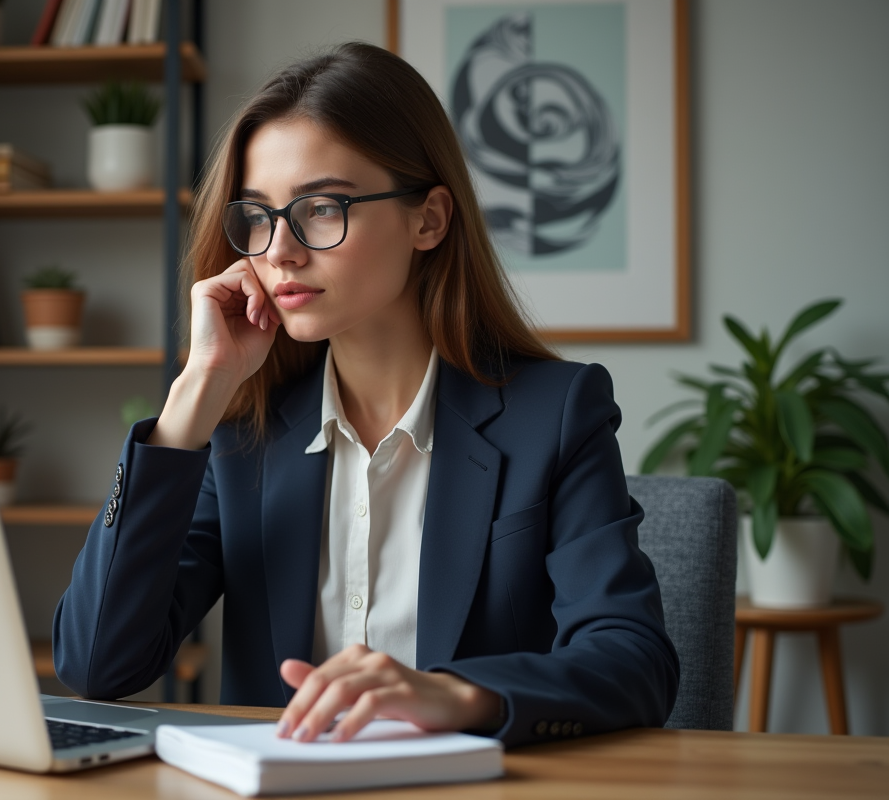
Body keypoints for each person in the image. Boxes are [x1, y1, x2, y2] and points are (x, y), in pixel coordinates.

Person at [53, 42, 678, 748]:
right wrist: (195, 394)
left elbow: (635, 663)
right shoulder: (241, 432)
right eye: (258, 215)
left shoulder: (555, 414)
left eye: (321, 208)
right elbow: (97, 663)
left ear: (428, 220)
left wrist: (455, 694)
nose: (279, 251)